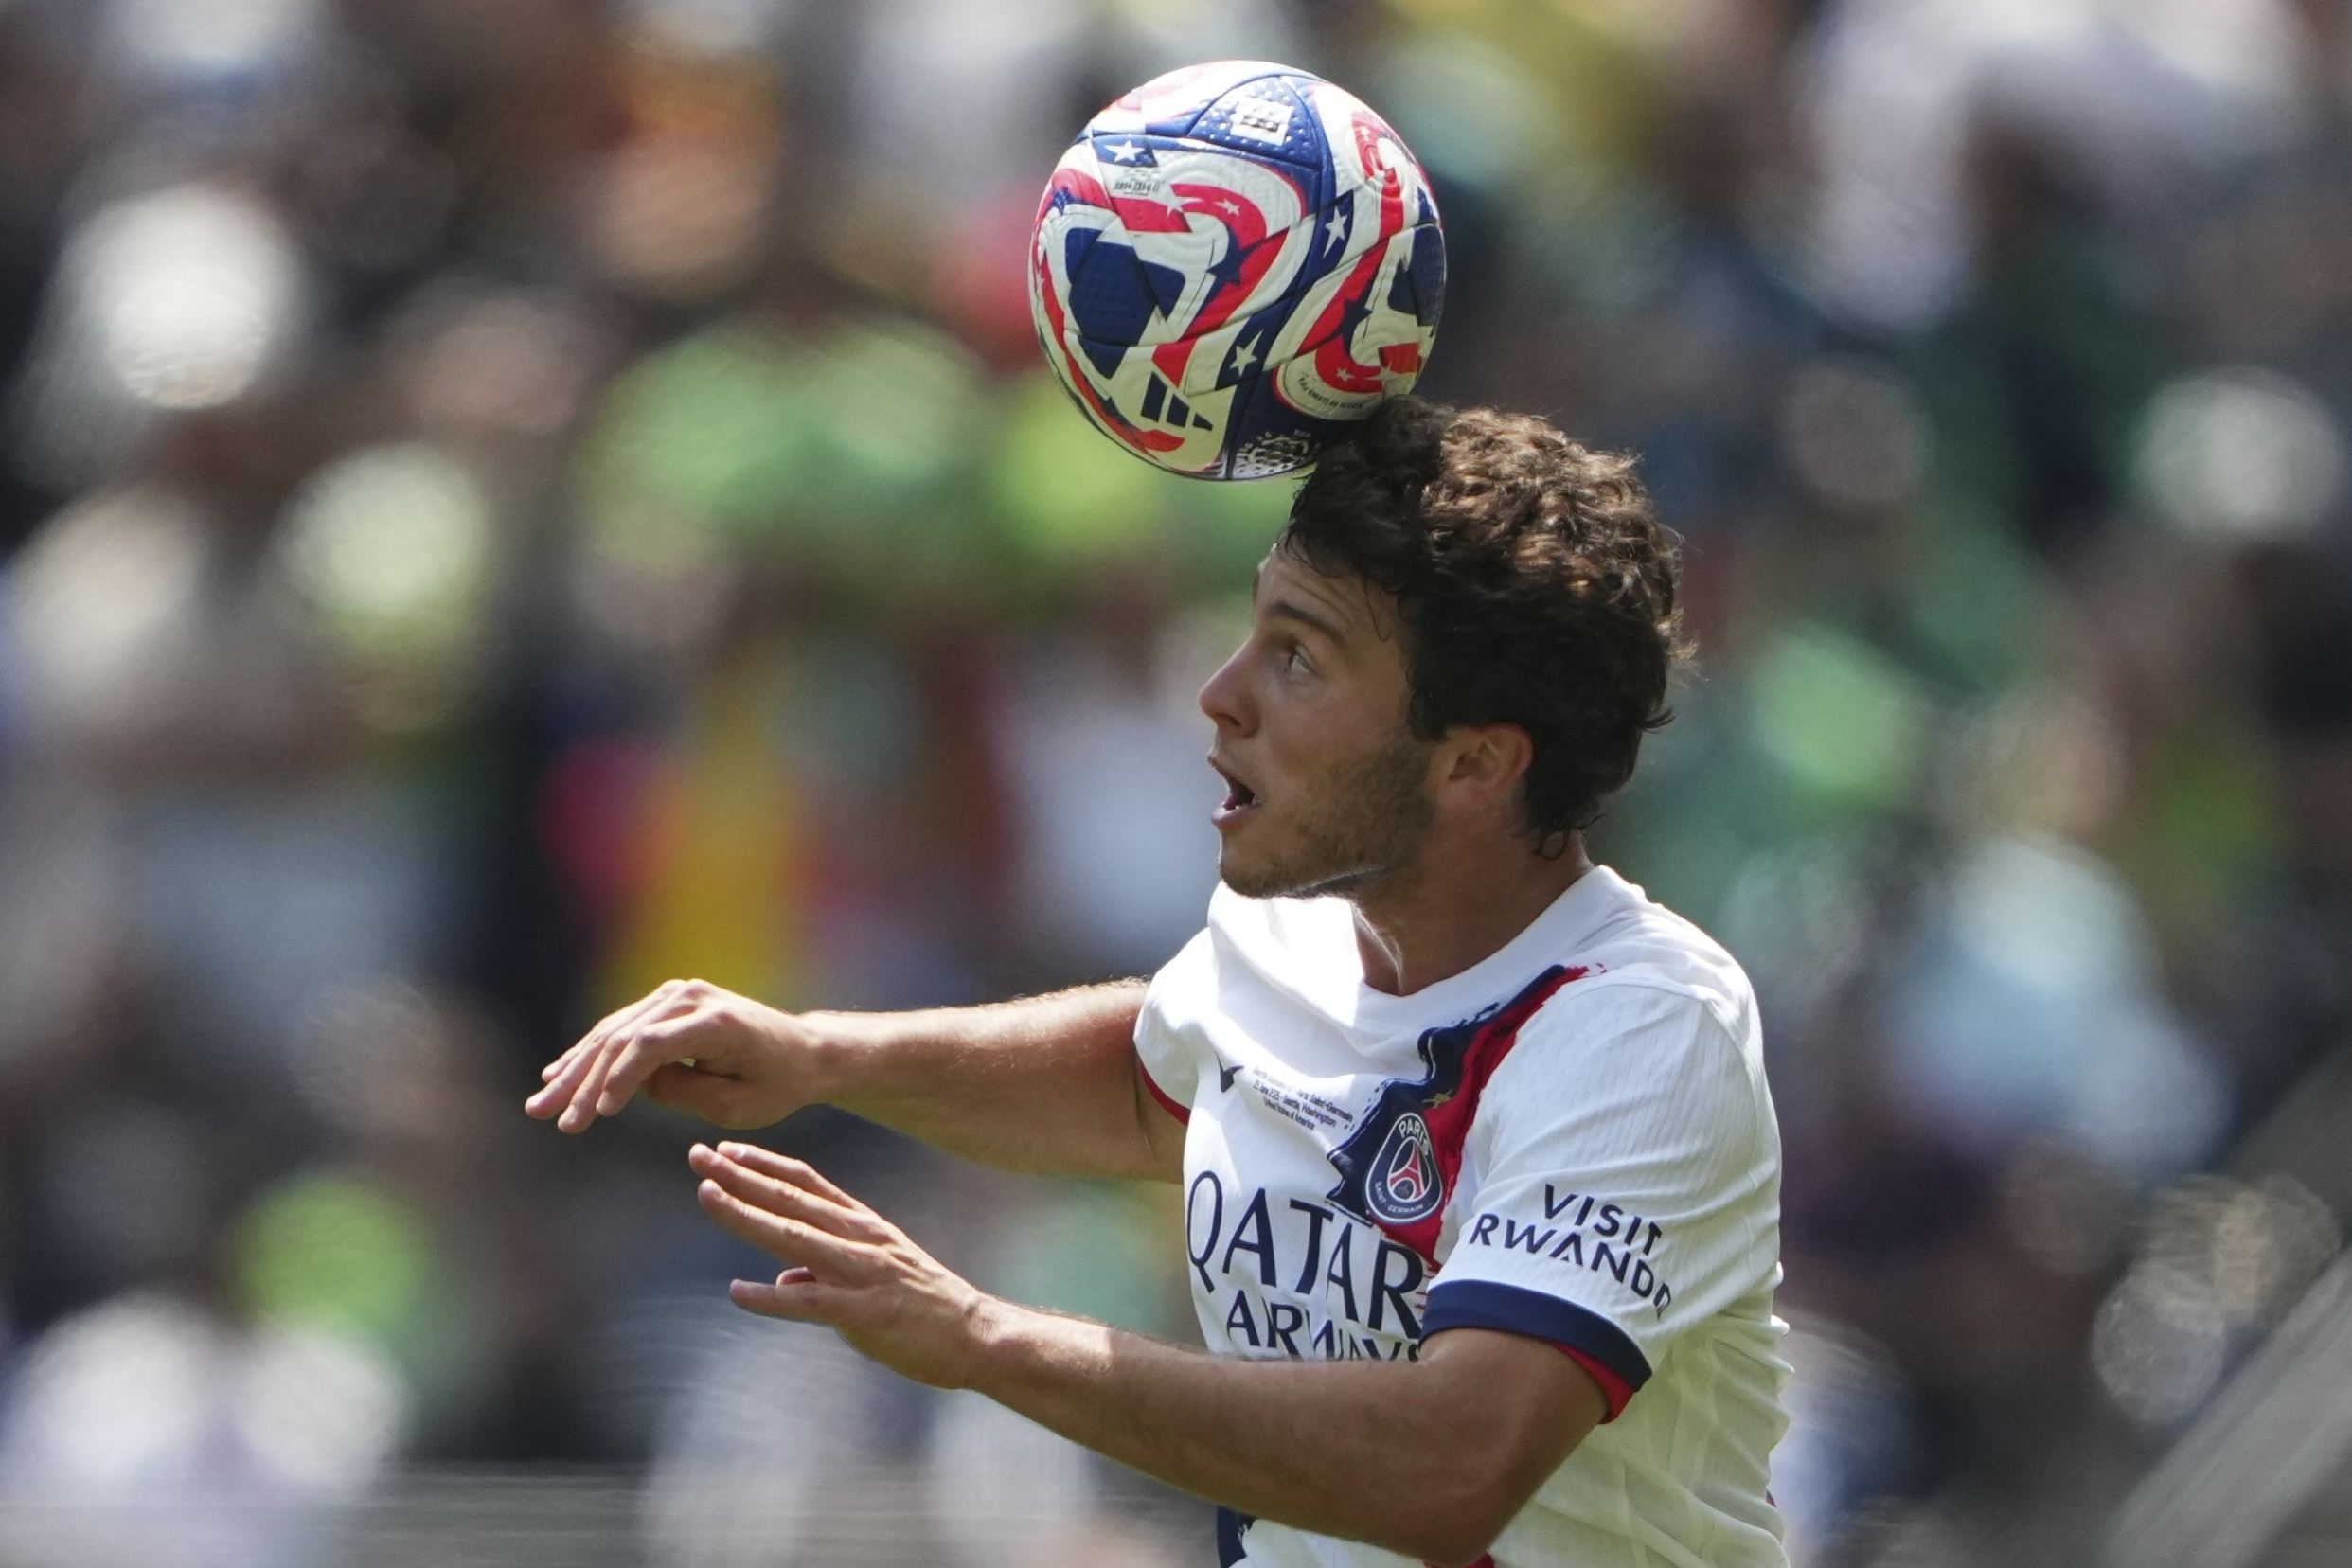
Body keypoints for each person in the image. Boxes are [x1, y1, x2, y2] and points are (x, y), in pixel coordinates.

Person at [527, 398, 1789, 1568]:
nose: (1222, 693)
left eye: (1300, 658)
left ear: (1472, 766)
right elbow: (1154, 1076)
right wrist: (823, 1055)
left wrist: (982, 1338)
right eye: (1255, 627)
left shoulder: (1640, 1029)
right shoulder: (1291, 936)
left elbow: (1452, 1463)